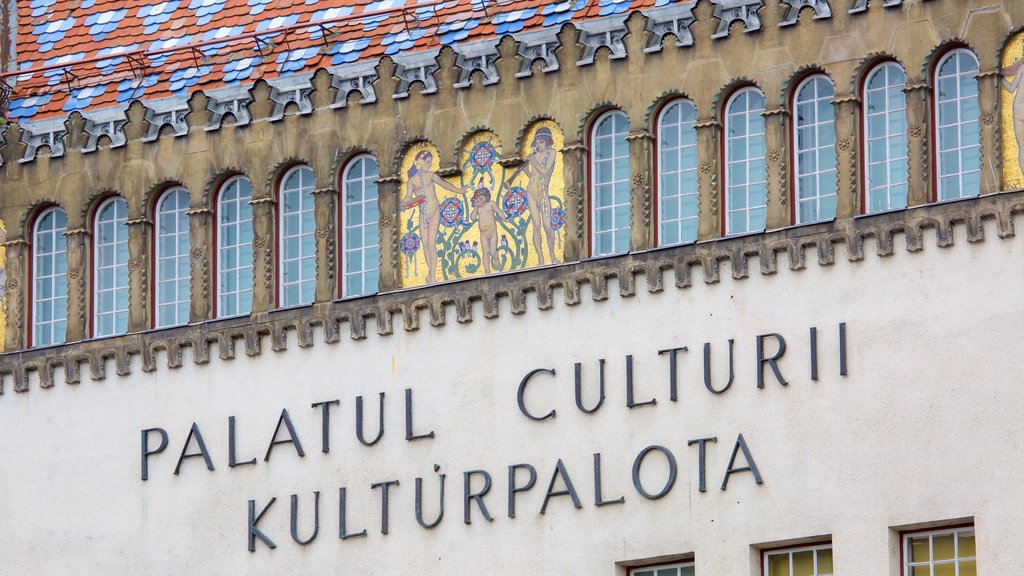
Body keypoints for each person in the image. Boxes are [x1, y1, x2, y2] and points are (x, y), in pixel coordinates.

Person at [401, 150, 469, 284]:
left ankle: (432, 275)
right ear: (419, 163)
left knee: (431, 244)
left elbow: (445, 184)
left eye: (431, 162)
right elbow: (409, 198)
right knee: (425, 244)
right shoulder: (412, 181)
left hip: (434, 212)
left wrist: (459, 190)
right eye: (427, 162)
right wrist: (402, 204)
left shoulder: (431, 176)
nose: (429, 165)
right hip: (423, 214)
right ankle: (429, 272)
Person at [506, 127, 559, 265]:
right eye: (536, 142)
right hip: (531, 192)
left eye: (541, 142)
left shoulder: (551, 153)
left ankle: (552, 256)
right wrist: (524, 171)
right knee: (536, 225)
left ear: (547, 142)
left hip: (543, 192)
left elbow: (545, 173)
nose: (538, 145)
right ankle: (540, 259)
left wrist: (533, 161)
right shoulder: (534, 156)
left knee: (547, 226)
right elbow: (533, 177)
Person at [469, 186, 508, 275]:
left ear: (486, 197)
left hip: (492, 232)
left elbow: (498, 211)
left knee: (493, 251)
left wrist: (504, 218)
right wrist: (475, 207)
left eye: (481, 198)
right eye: (477, 200)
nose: (480, 201)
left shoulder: (491, 204)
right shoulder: (478, 209)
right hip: (483, 234)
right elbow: (472, 218)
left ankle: (498, 264)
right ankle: (487, 272)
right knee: (486, 253)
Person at [1002, 51, 1024, 175]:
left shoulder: (1022, 68)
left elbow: (1010, 89)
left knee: (1022, 146)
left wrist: (999, 78)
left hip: (1019, 108)